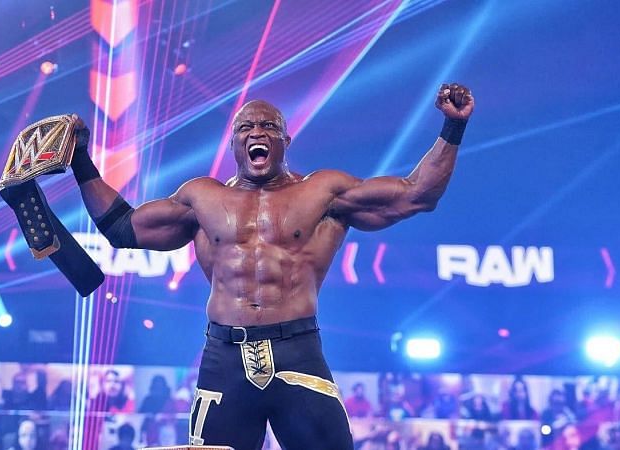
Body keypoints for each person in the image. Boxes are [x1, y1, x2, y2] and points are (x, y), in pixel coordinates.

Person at [68, 83, 474, 448]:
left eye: (268, 126)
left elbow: (416, 195)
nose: (257, 133)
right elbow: (122, 227)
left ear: (285, 140)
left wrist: (452, 128)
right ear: (233, 145)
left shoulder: (322, 192)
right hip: (224, 355)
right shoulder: (201, 198)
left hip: (297, 350)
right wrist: (81, 160)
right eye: (246, 128)